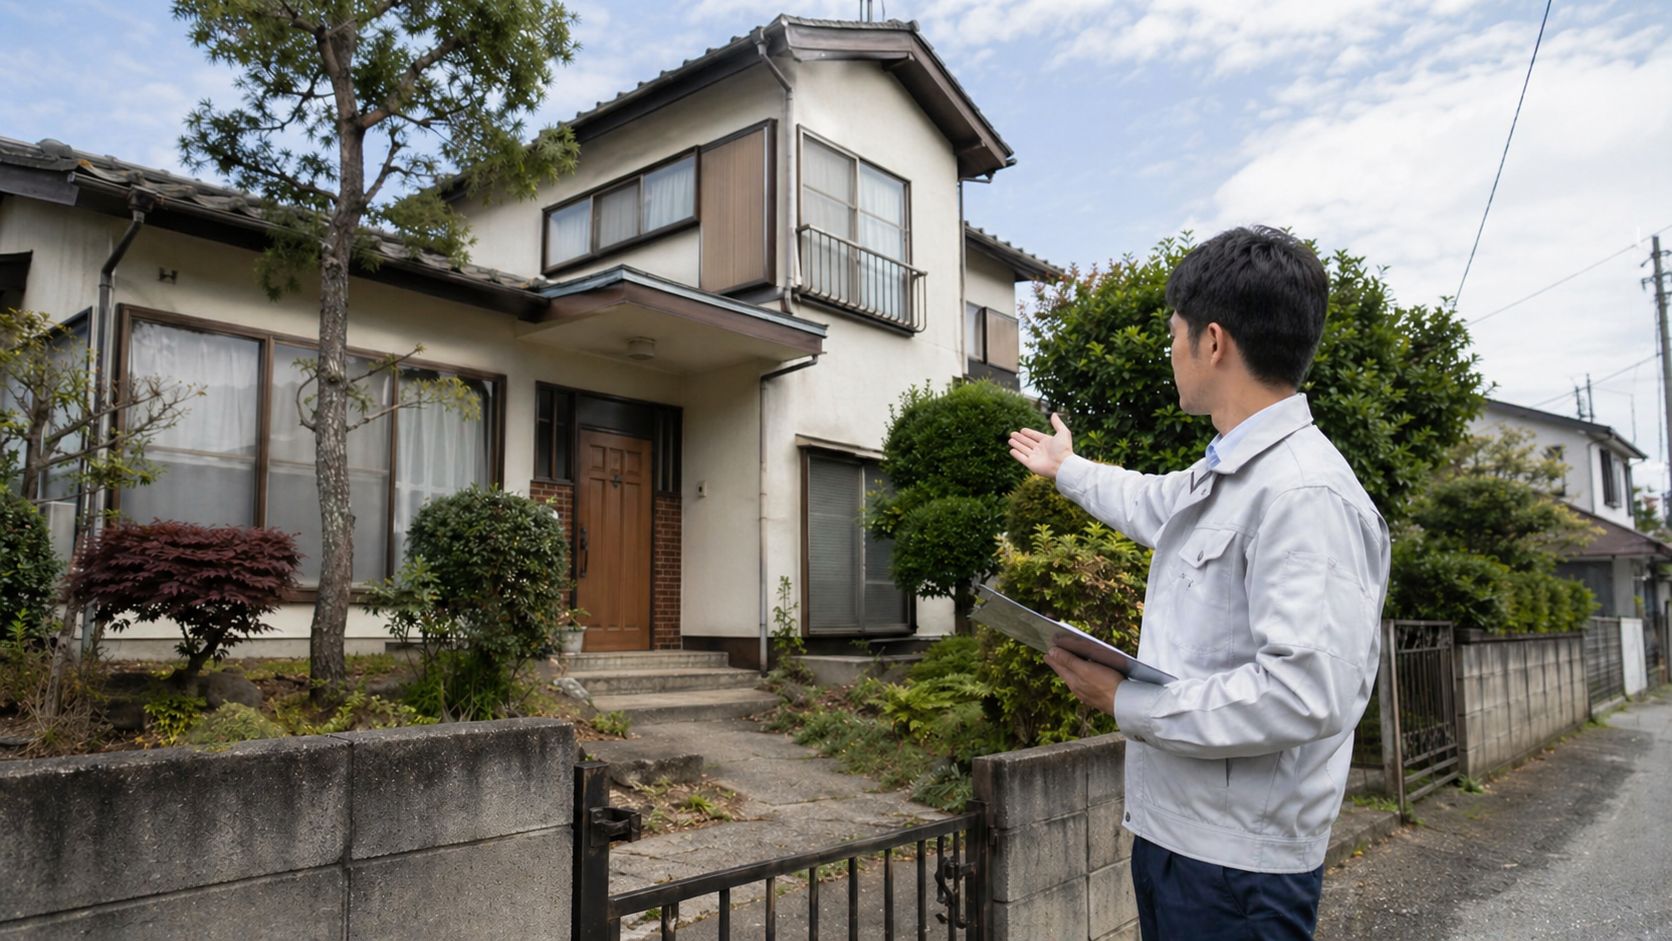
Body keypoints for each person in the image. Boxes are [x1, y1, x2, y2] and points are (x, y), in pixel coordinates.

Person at [1007, 226, 1390, 940]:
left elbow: (1304, 693)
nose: (1169, 349)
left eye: (1173, 332)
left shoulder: (1305, 492)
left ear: (1212, 341)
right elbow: (1154, 502)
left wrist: (1126, 701)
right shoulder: (1231, 472)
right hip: (1182, 840)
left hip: (1239, 868)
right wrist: (1067, 468)